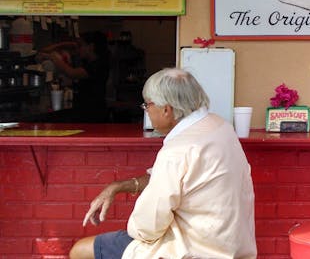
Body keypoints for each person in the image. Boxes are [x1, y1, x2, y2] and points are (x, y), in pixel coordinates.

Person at [68, 68, 257, 259]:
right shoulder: (219, 126)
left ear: (166, 110)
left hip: (192, 249)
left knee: (80, 251)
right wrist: (118, 187)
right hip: (230, 246)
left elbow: (147, 228)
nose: (147, 111)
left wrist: (135, 227)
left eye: (147, 105)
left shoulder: (178, 150)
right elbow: (171, 178)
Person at [38, 31, 110, 121]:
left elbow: (71, 73)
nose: (79, 49)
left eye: (81, 45)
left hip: (93, 114)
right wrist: (62, 45)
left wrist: (54, 58)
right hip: (84, 111)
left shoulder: (98, 65)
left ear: (91, 47)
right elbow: (42, 51)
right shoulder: (87, 62)